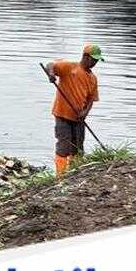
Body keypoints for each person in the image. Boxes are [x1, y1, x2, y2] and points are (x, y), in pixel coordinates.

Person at [46, 44, 102, 176]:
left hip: (78, 118)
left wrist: (84, 113)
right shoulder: (69, 67)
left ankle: (74, 173)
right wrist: (52, 74)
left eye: (97, 60)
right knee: (63, 146)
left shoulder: (93, 78)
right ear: (85, 57)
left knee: (78, 147)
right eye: (93, 59)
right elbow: (50, 65)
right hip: (63, 114)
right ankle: (60, 176)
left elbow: (91, 99)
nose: (95, 63)